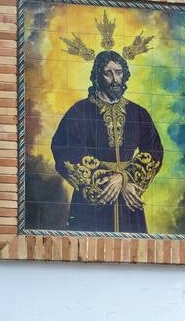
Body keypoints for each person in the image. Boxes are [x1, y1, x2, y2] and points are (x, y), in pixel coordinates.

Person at [51, 50, 163, 233]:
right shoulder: (80, 112)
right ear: (97, 77)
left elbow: (154, 150)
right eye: (108, 73)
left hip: (129, 199)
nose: (115, 79)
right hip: (95, 202)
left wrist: (125, 179)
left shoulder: (138, 113)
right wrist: (108, 181)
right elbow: (65, 150)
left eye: (119, 72)